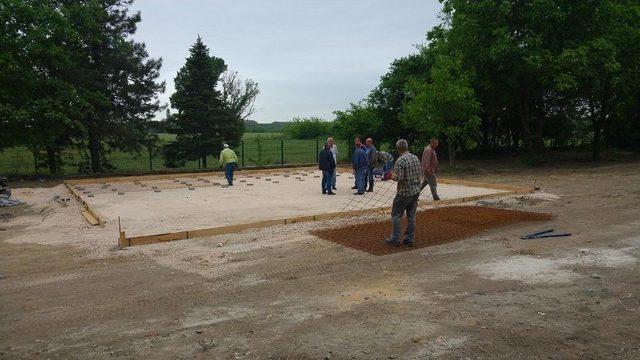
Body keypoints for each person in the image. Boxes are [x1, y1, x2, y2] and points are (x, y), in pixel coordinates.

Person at [386, 139, 422, 247]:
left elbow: (399, 178)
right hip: (415, 191)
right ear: (407, 147)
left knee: (396, 215)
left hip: (404, 192)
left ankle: (395, 239)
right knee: (411, 216)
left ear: (398, 149)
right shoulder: (415, 158)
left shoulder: (400, 161)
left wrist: (390, 176)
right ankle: (409, 238)